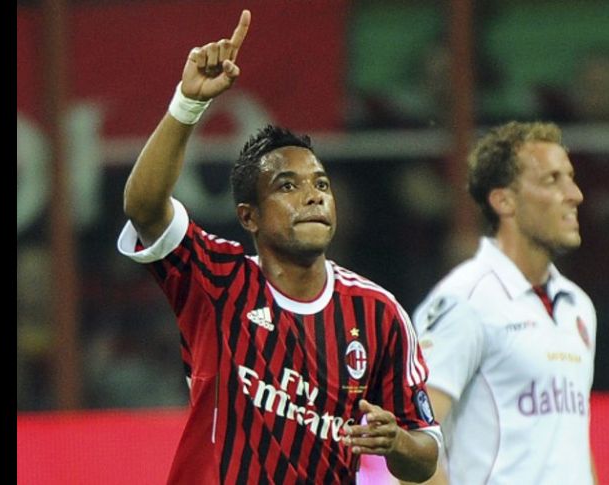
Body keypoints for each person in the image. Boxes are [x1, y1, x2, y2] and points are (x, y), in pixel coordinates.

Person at [116, 10, 440, 484]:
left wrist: (398, 442)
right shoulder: (217, 281)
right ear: (248, 216)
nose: (313, 196)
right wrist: (187, 103)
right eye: (287, 186)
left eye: (321, 184)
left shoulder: (378, 313)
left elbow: (425, 453)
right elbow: (144, 207)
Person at [411, 121, 598, 484]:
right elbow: (410, 445)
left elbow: (571, 439)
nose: (574, 194)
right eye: (552, 180)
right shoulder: (465, 300)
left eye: (571, 177)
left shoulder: (579, 306)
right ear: (504, 200)